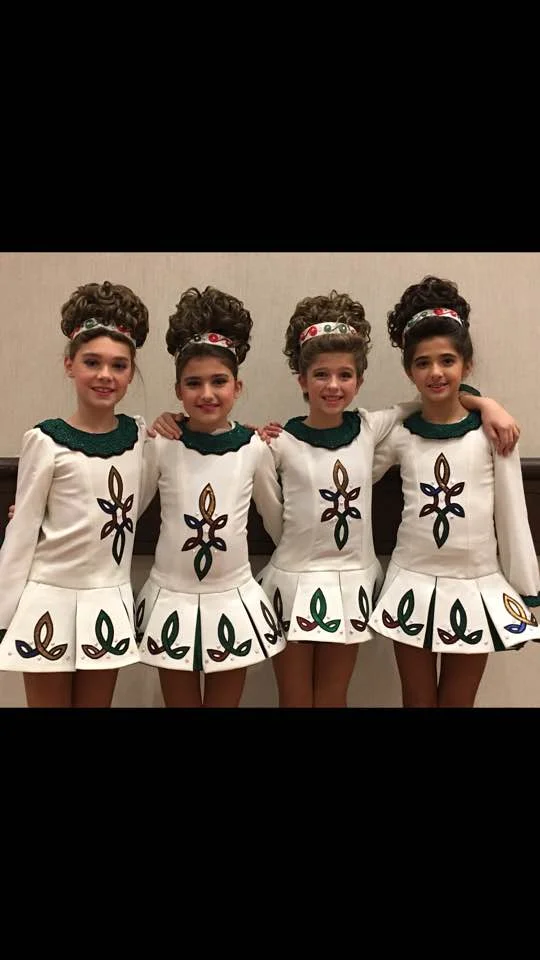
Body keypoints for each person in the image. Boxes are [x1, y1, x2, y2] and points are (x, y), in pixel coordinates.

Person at [155, 290, 517, 707]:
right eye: (321, 374)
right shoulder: (275, 443)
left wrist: (486, 404)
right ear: (301, 380)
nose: (332, 385)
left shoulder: (372, 429)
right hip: (292, 583)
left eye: (345, 375)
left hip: (350, 586)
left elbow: (432, 396)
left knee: (332, 698)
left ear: (359, 381)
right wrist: (176, 420)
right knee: (294, 699)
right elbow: (270, 510)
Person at [368, 276, 540, 707]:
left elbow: (512, 514)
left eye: (447, 360)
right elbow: (354, 469)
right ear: (409, 371)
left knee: (459, 701)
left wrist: (524, 582)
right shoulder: (402, 434)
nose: (435, 372)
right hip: (411, 581)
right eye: (422, 363)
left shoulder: (492, 434)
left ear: (467, 364)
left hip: (476, 583)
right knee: (416, 699)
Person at [0, 281, 150, 707]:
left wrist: (256, 435)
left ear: (131, 372)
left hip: (107, 599)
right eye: (92, 362)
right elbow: (22, 532)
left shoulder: (141, 437)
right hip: (47, 599)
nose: (105, 375)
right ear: (70, 365)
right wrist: (4, 612)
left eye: (119, 365)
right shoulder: (45, 440)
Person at [136, 286, 285, 707]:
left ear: (237, 386)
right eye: (194, 383)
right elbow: (127, 510)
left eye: (219, 381)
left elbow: (278, 521)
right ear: (178, 390)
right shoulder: (161, 444)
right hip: (170, 597)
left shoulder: (254, 448)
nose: (206, 394)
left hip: (234, 598)